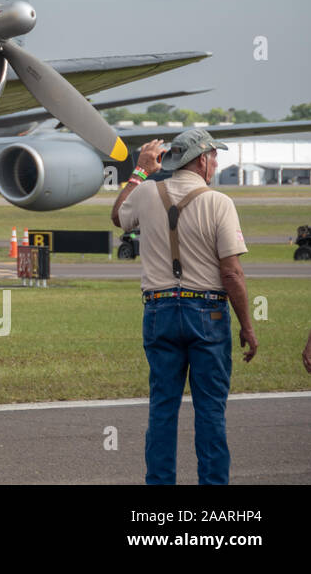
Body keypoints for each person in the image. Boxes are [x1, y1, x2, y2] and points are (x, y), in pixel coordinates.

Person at [111, 129, 257, 485]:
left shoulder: (146, 193)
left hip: (159, 309)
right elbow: (232, 273)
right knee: (210, 412)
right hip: (207, 311)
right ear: (201, 159)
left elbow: (118, 216)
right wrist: (248, 326)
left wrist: (140, 172)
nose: (216, 164)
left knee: (162, 408)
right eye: (214, 158)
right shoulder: (219, 202)